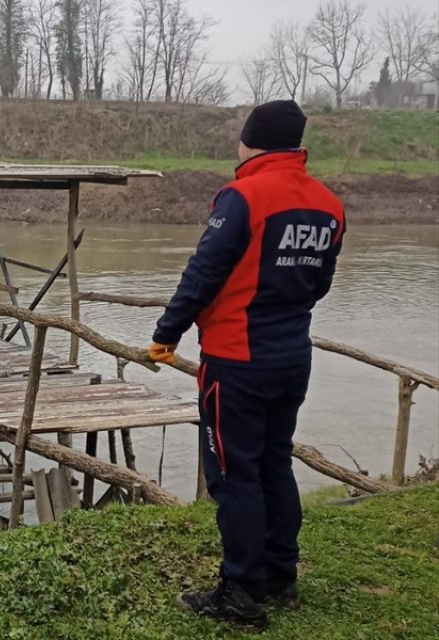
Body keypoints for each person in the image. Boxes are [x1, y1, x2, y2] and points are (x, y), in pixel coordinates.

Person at [149, 100, 344, 632]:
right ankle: (281, 574)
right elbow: (320, 283)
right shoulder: (329, 205)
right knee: (274, 463)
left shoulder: (242, 197)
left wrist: (166, 334)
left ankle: (241, 591)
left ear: (251, 139)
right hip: (292, 355)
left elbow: (203, 273)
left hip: (236, 360)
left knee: (234, 477)